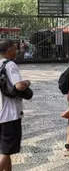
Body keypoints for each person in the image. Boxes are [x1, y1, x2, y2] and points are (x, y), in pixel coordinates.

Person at [0, 39, 31, 171]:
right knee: (5, 152)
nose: (17, 51)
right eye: (15, 48)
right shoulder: (10, 65)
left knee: (3, 150)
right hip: (9, 115)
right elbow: (19, 86)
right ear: (9, 50)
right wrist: (27, 82)